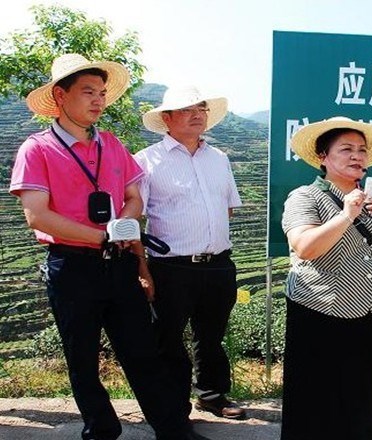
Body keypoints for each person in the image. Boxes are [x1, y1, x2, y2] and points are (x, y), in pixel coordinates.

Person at [9, 54, 203, 439]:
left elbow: (134, 197)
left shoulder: (112, 144)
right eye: (87, 92)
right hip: (72, 265)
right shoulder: (37, 149)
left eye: (101, 93)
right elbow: (38, 216)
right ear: (60, 96)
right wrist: (103, 235)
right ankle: (101, 429)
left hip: (118, 265)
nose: (98, 100)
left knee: (142, 350)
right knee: (82, 357)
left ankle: (172, 429)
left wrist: (124, 226)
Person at [280, 116, 372, 440]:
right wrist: (345, 215)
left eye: (362, 150)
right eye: (346, 149)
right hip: (318, 310)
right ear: (323, 157)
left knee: (362, 399)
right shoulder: (305, 197)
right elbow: (306, 246)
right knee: (315, 401)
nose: (357, 156)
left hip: (368, 312)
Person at [134, 85, 245, 421]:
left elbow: (228, 209)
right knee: (167, 338)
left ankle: (212, 394)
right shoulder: (146, 160)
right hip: (170, 267)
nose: (197, 114)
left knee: (211, 336)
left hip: (218, 264)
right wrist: (142, 269)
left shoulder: (219, 158)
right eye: (187, 109)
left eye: (201, 108)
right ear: (166, 118)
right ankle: (172, 404)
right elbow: (134, 216)